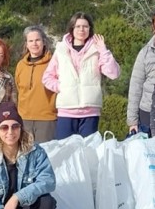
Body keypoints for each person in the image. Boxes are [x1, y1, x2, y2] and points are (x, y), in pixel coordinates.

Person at [42, 11, 120, 139]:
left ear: (90, 29)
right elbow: (47, 77)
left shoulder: (97, 50)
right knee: (65, 152)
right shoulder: (61, 50)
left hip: (90, 111)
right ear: (72, 28)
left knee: (88, 152)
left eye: (85, 26)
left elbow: (114, 73)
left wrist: (103, 50)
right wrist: (62, 87)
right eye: (78, 26)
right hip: (66, 111)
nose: (81, 29)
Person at [14, 26, 57, 143]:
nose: (34, 44)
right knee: (25, 156)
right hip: (24, 119)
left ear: (44, 42)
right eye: (31, 41)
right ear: (26, 44)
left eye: (37, 40)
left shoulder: (54, 63)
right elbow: (19, 89)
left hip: (47, 119)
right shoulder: (20, 65)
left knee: (45, 156)